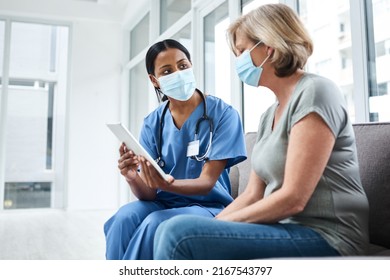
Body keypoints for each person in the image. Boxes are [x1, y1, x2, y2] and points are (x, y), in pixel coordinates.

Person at [153, 4, 369, 259]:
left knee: (178, 233)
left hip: (330, 235)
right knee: (169, 228)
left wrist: (212, 227)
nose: (238, 61)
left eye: (242, 50)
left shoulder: (315, 92)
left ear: (269, 47)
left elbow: (293, 199)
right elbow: (253, 194)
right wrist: (210, 226)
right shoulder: (269, 116)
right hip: (285, 228)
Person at [103, 39, 247, 260]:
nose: (178, 73)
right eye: (167, 71)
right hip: (162, 203)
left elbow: (207, 183)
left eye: (182, 66)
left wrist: (165, 183)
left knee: (155, 223)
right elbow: (149, 193)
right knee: (123, 219)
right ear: (155, 80)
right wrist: (132, 177)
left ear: (191, 66)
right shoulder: (153, 122)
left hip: (209, 206)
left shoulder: (223, 114)